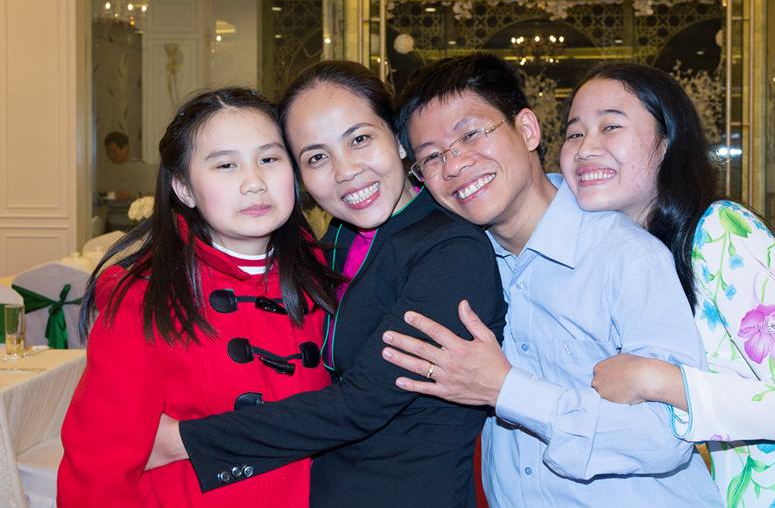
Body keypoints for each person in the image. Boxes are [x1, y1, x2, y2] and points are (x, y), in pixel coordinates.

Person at [385, 61, 775, 507]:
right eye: (575, 133)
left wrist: (658, 379)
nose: (586, 148)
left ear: (667, 140)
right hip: (725, 483)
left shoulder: (715, 233)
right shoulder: (476, 260)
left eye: (611, 127)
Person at [151, 61, 506, 507]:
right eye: (316, 157)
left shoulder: (450, 250)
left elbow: (361, 405)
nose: (345, 171)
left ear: (397, 138)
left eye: (359, 139)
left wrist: (183, 441)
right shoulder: (340, 236)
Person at [381, 53, 721, 506]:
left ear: (527, 130)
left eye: (471, 135)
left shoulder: (624, 256)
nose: (455, 165)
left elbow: (670, 434)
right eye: (432, 157)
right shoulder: (459, 267)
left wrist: (506, 389)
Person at [59, 87, 340, 507]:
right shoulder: (147, 295)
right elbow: (99, 471)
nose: (254, 182)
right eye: (226, 165)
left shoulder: (321, 269)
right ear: (184, 188)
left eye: (269, 159)